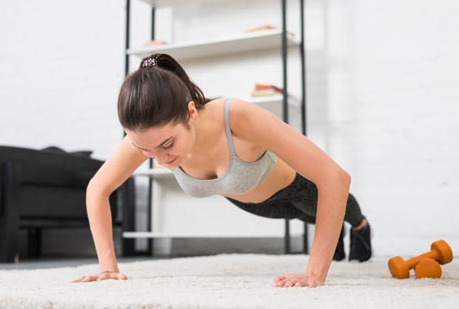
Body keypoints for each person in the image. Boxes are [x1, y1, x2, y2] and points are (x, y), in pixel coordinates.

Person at [73, 53, 372, 287]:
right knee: (308, 218)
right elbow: (97, 190)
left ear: (190, 112)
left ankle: (360, 228)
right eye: (145, 150)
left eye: (167, 144)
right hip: (252, 203)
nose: (159, 160)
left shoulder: (236, 117)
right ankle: (338, 241)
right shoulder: (146, 136)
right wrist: (108, 268)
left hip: (298, 186)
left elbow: (335, 177)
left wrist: (314, 274)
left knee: (339, 210)